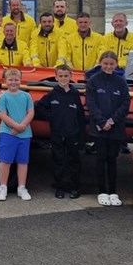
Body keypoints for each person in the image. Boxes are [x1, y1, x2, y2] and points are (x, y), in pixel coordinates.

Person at [85, 51, 130, 206]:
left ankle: (113, 191)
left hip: (115, 127)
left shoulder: (121, 82)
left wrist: (112, 121)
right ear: (100, 63)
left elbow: (125, 103)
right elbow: (91, 103)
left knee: (112, 159)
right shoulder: (93, 81)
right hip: (99, 127)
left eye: (111, 64)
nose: (108, 66)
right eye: (105, 64)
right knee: (100, 158)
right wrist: (102, 121)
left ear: (116, 64)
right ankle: (102, 191)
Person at [34, 64, 84, 199]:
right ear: (56, 77)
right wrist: (51, 117)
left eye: (66, 76)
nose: (63, 78)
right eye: (60, 76)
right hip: (57, 133)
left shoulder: (75, 94)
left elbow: (80, 115)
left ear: (71, 77)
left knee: (74, 161)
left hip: (72, 133)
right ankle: (60, 187)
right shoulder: (52, 94)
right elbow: (38, 107)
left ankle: (75, 187)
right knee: (58, 160)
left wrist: (81, 135)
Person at [0, 68, 33, 201]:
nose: (13, 82)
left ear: (20, 80)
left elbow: (30, 112)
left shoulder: (26, 96)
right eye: (10, 80)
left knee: (23, 161)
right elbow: (3, 115)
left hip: (25, 133)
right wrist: (16, 126)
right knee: (5, 160)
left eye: (16, 80)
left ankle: (21, 187)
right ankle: (3, 187)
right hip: (8, 132)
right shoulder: (3, 97)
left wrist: (22, 126)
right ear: (5, 81)